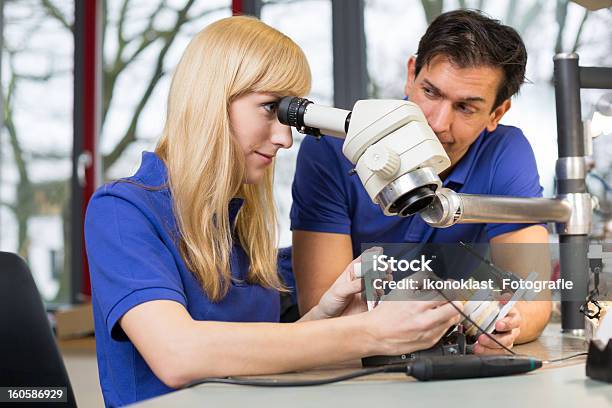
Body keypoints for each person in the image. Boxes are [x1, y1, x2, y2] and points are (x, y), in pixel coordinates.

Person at [85, 16, 462, 407]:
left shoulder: (239, 226)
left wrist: (326, 317)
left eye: (287, 117)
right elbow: (178, 354)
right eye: (269, 108)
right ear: (210, 100)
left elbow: (249, 366)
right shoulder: (121, 211)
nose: (284, 138)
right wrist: (371, 332)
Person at [291, 9, 552, 355]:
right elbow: (325, 310)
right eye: (430, 92)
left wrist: (503, 323)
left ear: (496, 114)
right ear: (411, 74)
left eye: (465, 108)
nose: (438, 124)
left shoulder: (505, 153)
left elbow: (532, 302)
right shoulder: (334, 146)